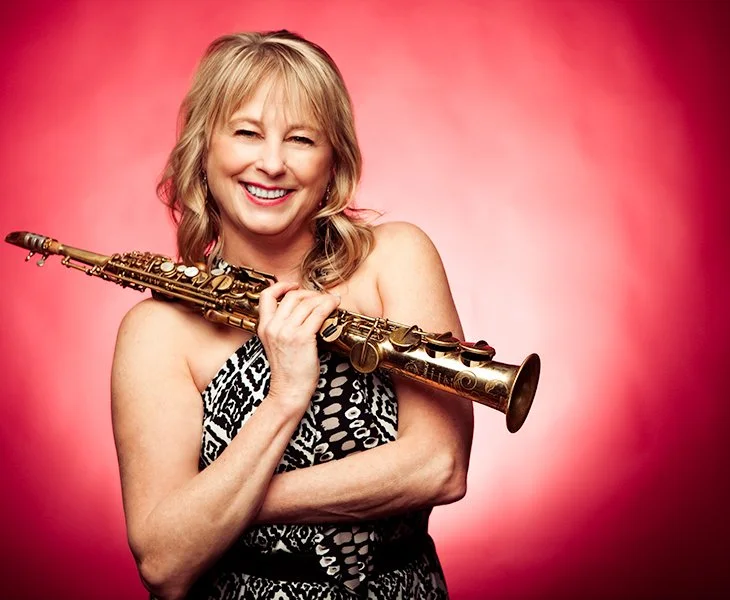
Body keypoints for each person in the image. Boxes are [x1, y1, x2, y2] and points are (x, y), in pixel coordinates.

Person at [111, 30, 473, 600]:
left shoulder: (396, 258)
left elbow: (439, 466)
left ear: (333, 163)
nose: (273, 163)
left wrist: (232, 506)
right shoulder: (155, 333)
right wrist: (284, 398)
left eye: (301, 139)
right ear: (204, 149)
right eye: (247, 133)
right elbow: (164, 565)